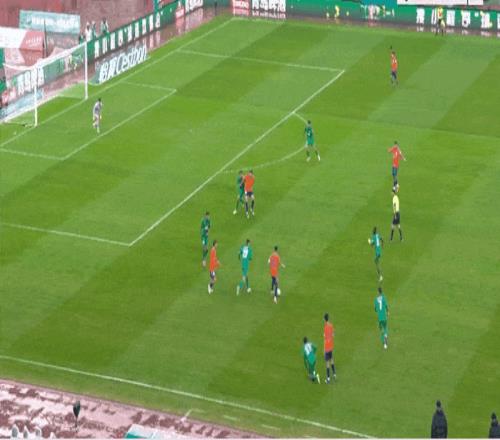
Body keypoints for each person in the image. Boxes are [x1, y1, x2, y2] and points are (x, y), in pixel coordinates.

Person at [323, 313, 336, 383]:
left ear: (324, 319)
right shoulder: (331, 325)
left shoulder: (325, 327)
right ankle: (334, 374)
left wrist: (324, 349)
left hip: (327, 347)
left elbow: (325, 337)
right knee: (332, 360)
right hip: (331, 346)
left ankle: (328, 379)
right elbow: (333, 335)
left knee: (327, 363)